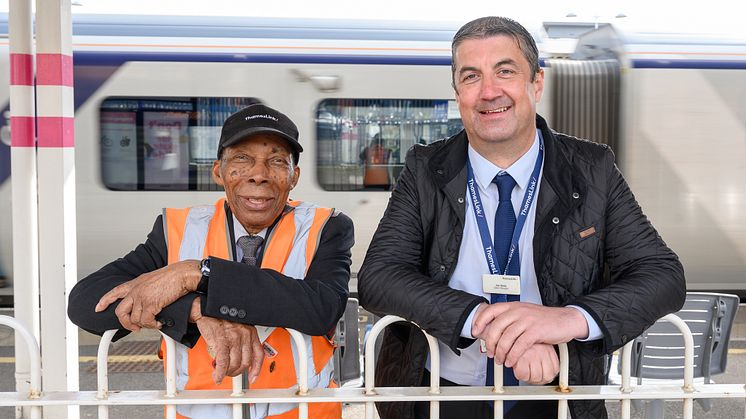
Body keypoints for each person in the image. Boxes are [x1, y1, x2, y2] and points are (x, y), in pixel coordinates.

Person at [358, 16, 685, 419]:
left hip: (557, 394)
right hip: (443, 396)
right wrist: (484, 320)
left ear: (537, 83)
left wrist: (567, 321)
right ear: (457, 92)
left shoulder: (592, 169)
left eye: (505, 71)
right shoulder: (425, 169)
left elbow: (662, 275)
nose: (489, 91)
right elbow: (379, 277)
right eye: (471, 76)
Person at [68, 104, 354, 419]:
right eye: (242, 159)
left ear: (294, 176)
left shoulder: (326, 226)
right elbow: (86, 304)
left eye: (276, 161)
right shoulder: (175, 229)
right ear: (218, 171)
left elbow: (321, 307)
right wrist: (194, 309)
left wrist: (197, 274)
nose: (259, 175)